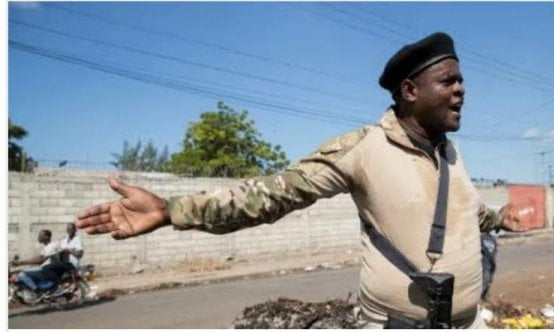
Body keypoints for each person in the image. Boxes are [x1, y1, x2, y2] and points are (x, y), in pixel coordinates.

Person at [76, 32, 524, 329]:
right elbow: (269, 196)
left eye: (462, 80)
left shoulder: (449, 151)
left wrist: (499, 219)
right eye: (449, 81)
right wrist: (173, 210)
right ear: (410, 91)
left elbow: (465, 212)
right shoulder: (362, 150)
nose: (462, 89)